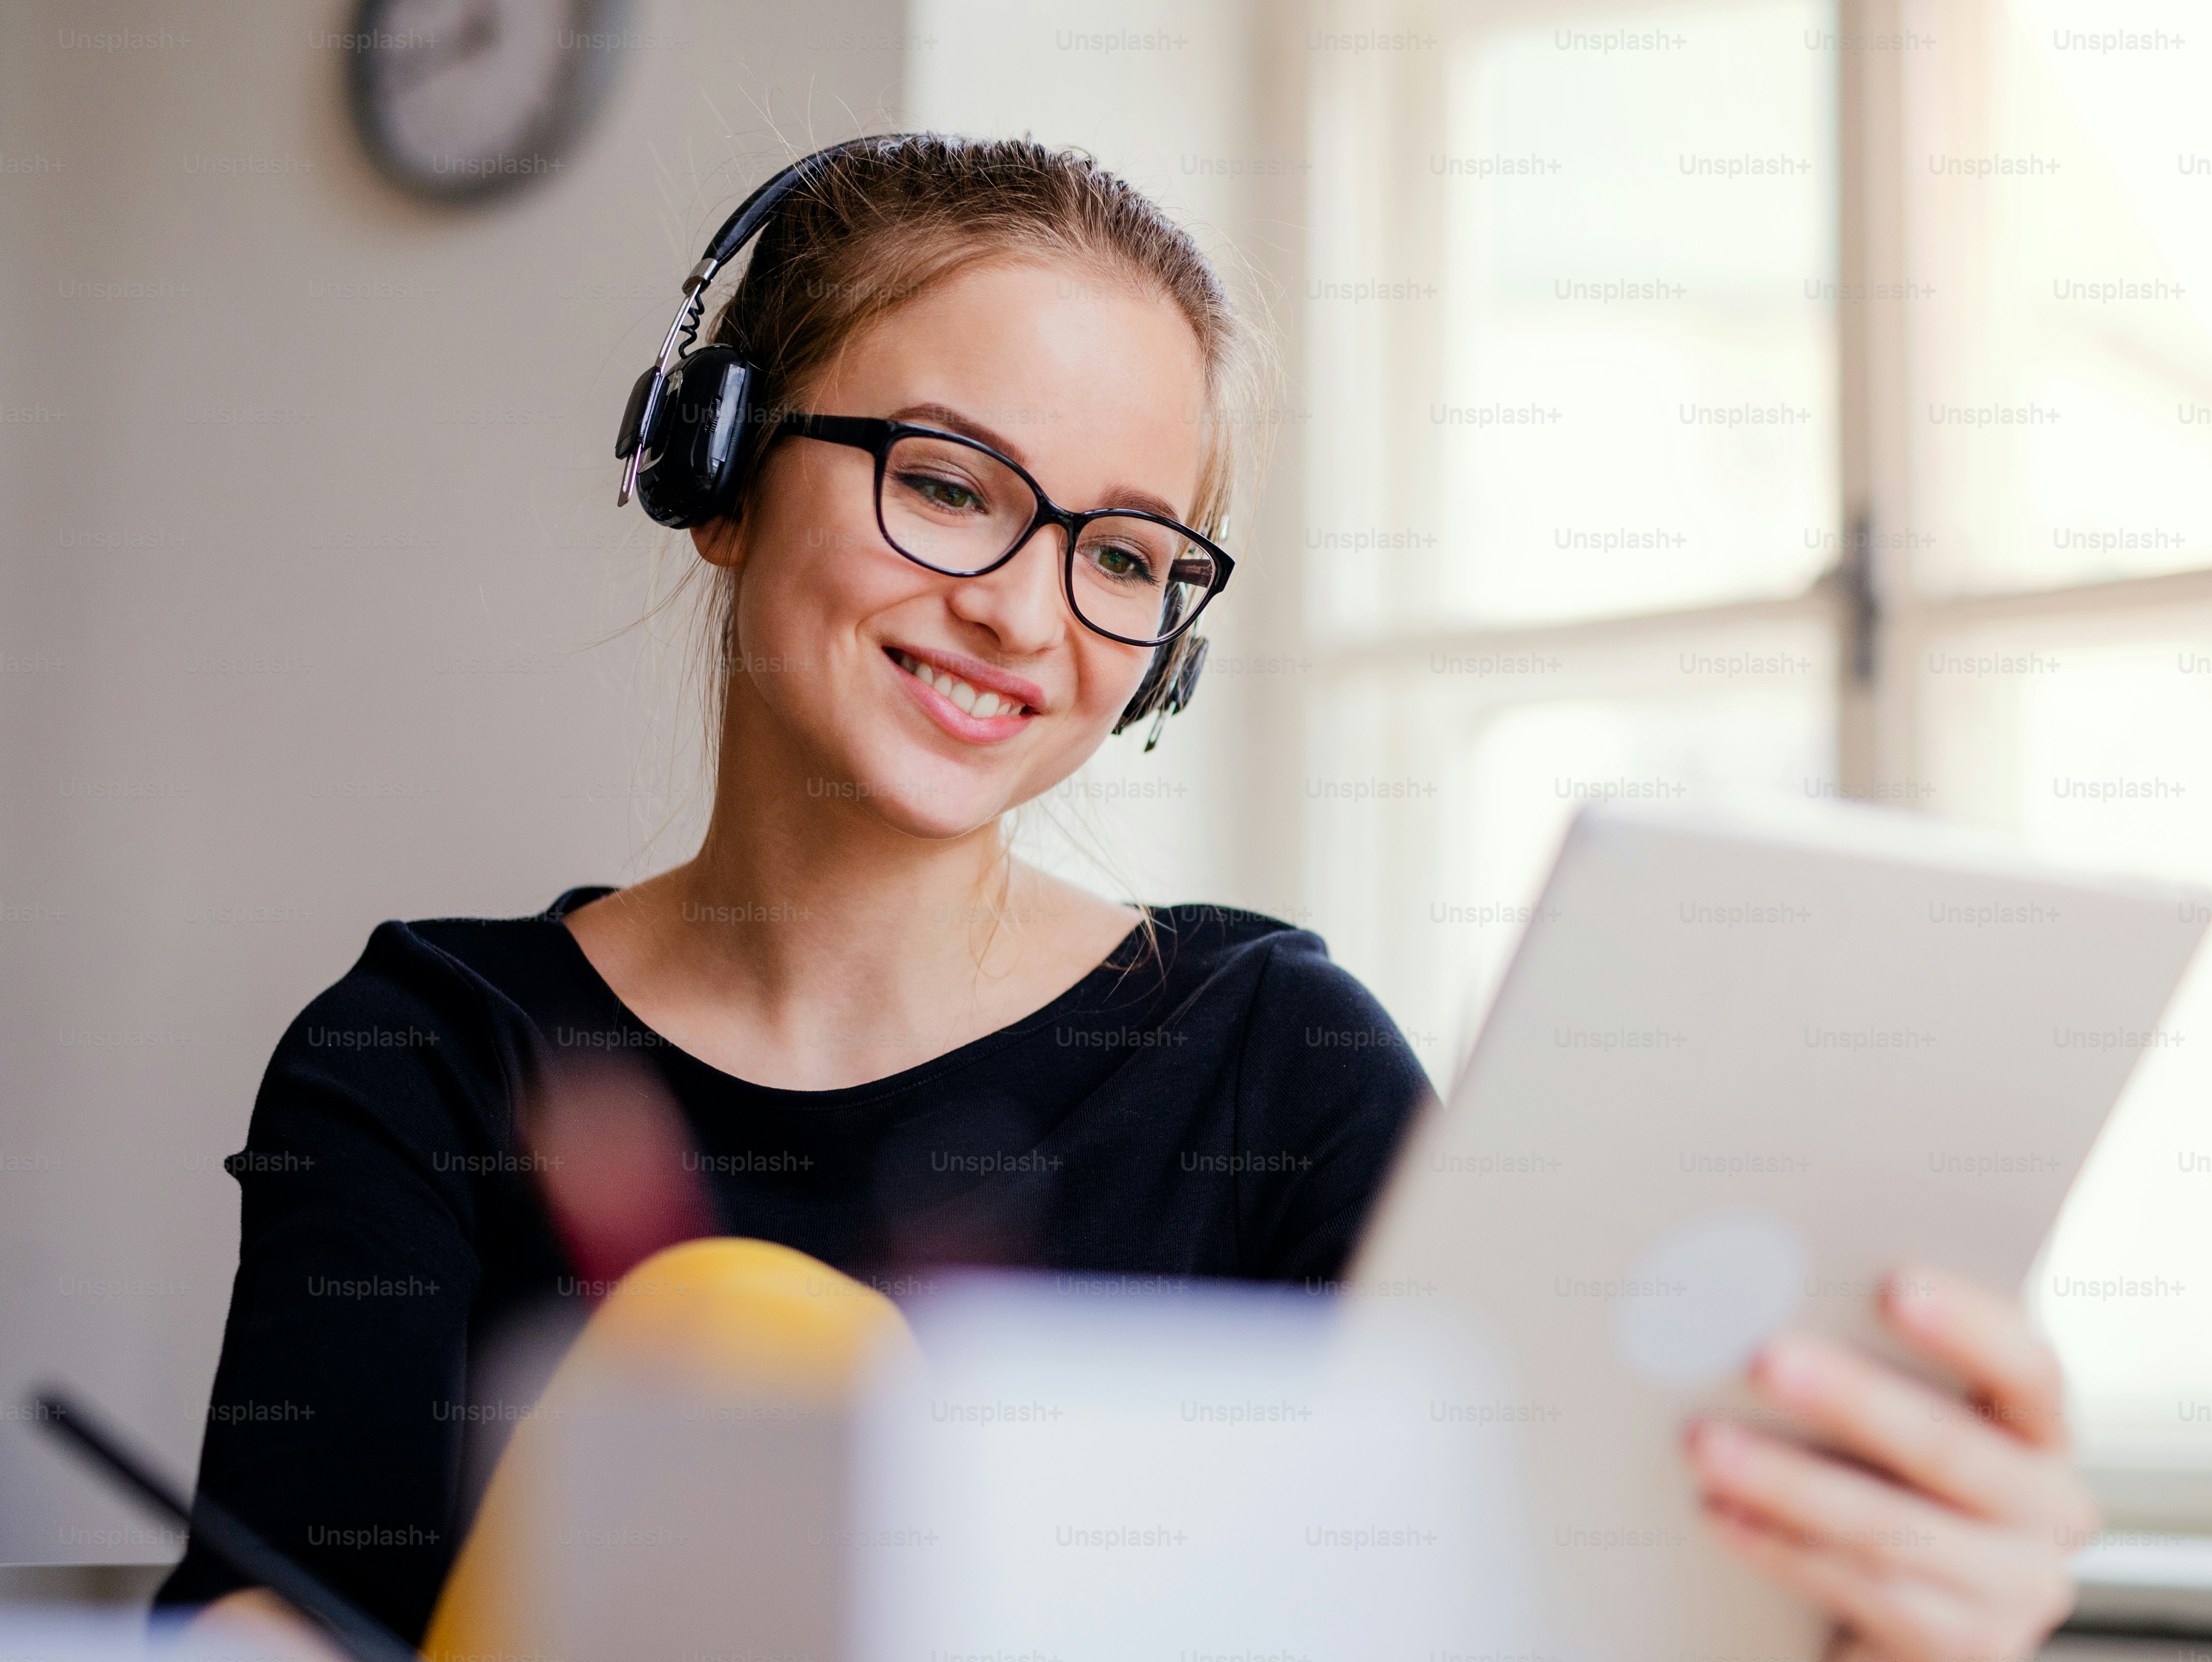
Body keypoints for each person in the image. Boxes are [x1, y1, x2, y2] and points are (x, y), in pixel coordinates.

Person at [157, 135, 2097, 1662]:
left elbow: (1465, 1618)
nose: (1022, 609)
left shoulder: (1275, 1063)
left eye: (1125, 551)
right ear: (719, 467)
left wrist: (1848, 1638)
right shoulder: (422, 1052)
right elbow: (273, 1617)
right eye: (944, 481)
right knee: (740, 1327)